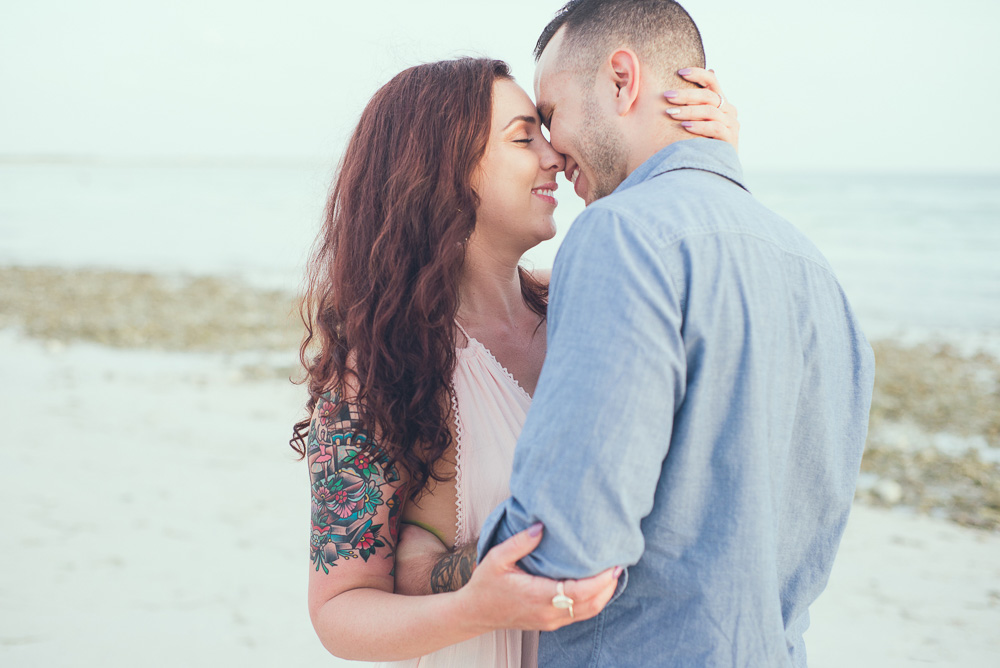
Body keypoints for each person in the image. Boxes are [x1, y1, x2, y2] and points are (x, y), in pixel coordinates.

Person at [463, 1, 877, 666]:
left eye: (550, 115)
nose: (551, 147)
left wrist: (439, 566)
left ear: (621, 80)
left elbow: (563, 548)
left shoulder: (620, 234)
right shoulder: (815, 273)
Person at [289, 55, 739, 665]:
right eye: (524, 138)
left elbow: (713, 279)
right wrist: (475, 606)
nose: (554, 156)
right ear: (442, 171)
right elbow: (340, 610)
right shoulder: (379, 373)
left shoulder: (590, 300)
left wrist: (704, 157)